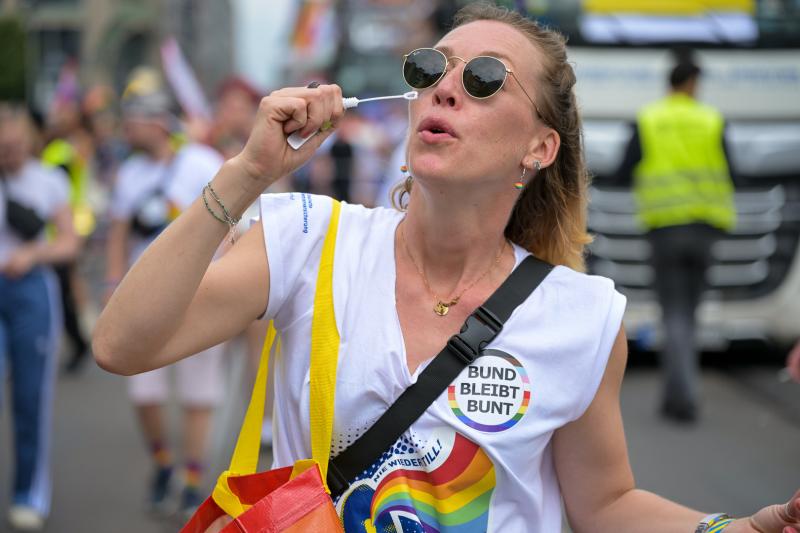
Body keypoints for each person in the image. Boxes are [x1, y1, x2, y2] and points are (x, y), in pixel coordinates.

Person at [92, 5, 800, 532]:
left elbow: (606, 503)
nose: (444, 89)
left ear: (539, 147)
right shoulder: (308, 239)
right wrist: (248, 172)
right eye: (430, 69)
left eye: (485, 79)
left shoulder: (583, 317)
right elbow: (122, 345)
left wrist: (735, 529)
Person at [103, 83, 226, 517]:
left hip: (201, 291)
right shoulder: (131, 172)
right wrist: (113, 281)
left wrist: (227, 286)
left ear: (158, 123)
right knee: (144, 391)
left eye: (133, 120)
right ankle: (162, 463)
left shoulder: (202, 162)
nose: (126, 129)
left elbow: (230, 223)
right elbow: (119, 229)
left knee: (198, 391)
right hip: (144, 297)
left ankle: (191, 480)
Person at [615, 53, 737, 423]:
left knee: (674, 314)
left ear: (669, 83)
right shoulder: (711, 118)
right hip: (705, 230)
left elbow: (623, 171)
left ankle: (680, 397)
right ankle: (680, 394)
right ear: (693, 83)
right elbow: (732, 171)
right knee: (689, 313)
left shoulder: (649, 119)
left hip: (665, 230)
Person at [0, 104, 80, 530]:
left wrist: (33, 255)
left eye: (15, 145)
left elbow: (69, 243)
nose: (9, 154)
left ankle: (28, 492)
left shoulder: (49, 180)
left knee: (30, 397)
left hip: (31, 292)